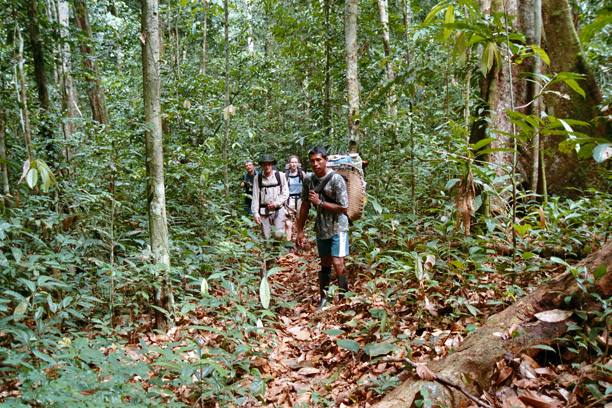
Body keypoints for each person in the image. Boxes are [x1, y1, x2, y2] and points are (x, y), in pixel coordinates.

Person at [296, 147, 349, 310]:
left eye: (318, 160)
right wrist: (300, 230)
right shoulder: (309, 179)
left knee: (337, 262)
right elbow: (305, 205)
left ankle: (344, 298)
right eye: (312, 161)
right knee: (324, 262)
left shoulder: (336, 179)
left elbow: (344, 207)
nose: (315, 164)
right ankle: (324, 298)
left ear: (326, 160)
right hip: (321, 227)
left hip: (338, 227)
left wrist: (321, 203)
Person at [251, 154, 289, 243]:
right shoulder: (258, 178)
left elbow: (286, 193)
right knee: (266, 238)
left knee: (279, 234)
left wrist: (276, 204)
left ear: (272, 164)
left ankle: (277, 253)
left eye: (269, 164)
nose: (267, 166)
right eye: (264, 164)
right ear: (262, 165)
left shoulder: (280, 176)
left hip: (278, 210)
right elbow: (255, 196)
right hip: (264, 211)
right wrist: (256, 213)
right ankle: (269, 256)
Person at [284, 155, 304, 249]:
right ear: (289, 164)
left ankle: (298, 242)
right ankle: (288, 244)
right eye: (292, 162)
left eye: (295, 162)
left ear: (298, 164)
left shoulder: (302, 174)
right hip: (289, 200)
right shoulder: (285, 175)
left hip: (299, 199)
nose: (294, 164)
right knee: (288, 223)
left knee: (299, 223)